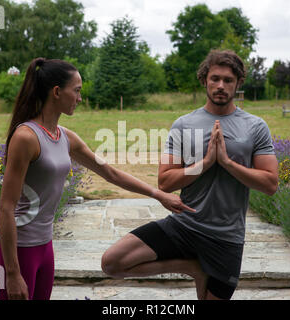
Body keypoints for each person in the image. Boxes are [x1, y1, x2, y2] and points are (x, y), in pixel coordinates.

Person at [0, 58, 195, 300]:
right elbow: (6, 208)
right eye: (76, 91)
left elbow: (110, 173)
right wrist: (13, 273)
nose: (80, 98)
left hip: (45, 248)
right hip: (17, 251)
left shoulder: (66, 137)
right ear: (57, 92)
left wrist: (158, 194)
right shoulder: (25, 137)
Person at [101, 50, 279, 300]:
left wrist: (226, 162)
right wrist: (206, 163)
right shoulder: (184, 124)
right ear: (204, 79)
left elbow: (270, 183)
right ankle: (191, 267)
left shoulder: (255, 126)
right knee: (112, 262)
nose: (220, 86)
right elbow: (165, 182)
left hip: (226, 238)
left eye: (228, 80)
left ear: (238, 83)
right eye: (215, 78)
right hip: (184, 226)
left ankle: (200, 268)